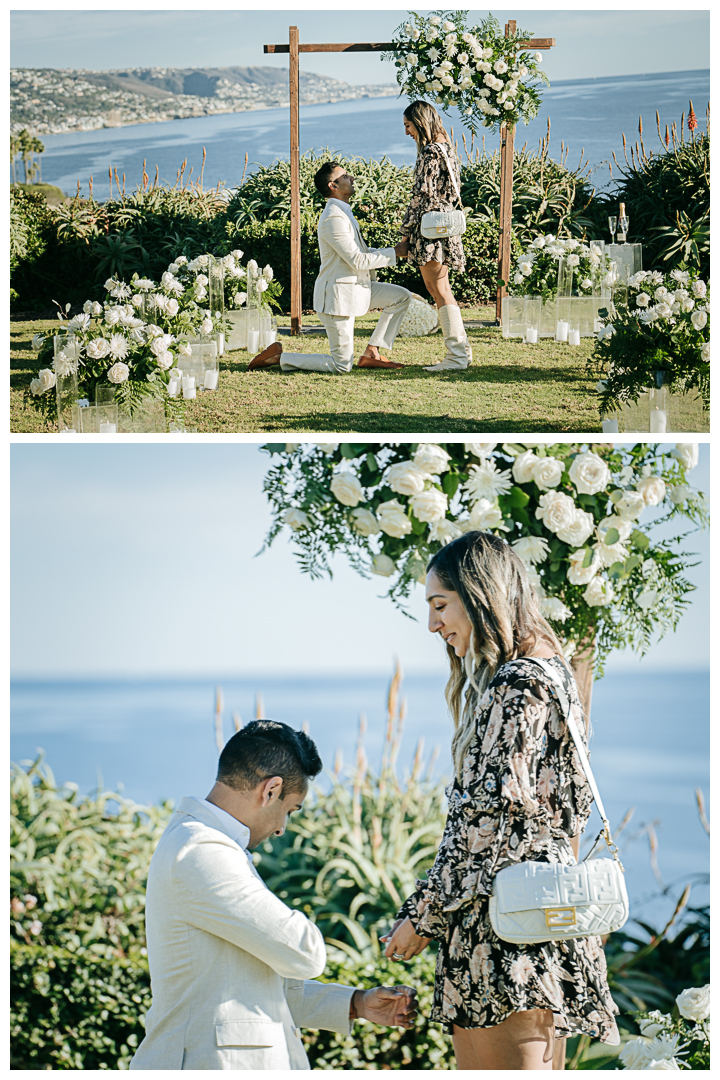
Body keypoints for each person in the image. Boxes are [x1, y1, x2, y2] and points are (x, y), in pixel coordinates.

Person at [381, 532, 620, 1070]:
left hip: (508, 938)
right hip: (534, 917)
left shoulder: (517, 685)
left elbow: (489, 830)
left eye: (440, 605)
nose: (432, 625)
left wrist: (422, 917)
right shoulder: (553, 674)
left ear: (480, 594)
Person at [130, 720, 417, 1070]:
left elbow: (246, 985)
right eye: (290, 809)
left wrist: (356, 1003)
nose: (282, 827)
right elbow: (304, 953)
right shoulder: (202, 850)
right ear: (271, 790)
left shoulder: (204, 844)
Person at [248, 162, 412, 374]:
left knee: (401, 296)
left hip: (357, 288)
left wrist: (392, 250)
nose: (352, 178)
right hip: (338, 298)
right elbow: (357, 260)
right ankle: (278, 358)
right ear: (332, 186)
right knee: (341, 365)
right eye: (345, 176)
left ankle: (372, 351)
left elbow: (360, 251)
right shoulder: (333, 218)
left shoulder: (343, 212)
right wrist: (395, 252)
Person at [401, 100, 472, 372]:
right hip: (444, 227)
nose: (407, 132)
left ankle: (456, 356)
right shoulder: (447, 148)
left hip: (430, 230)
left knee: (439, 290)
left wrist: (405, 233)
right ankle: (461, 350)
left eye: (408, 125)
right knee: (440, 288)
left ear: (419, 121)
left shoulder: (431, 152)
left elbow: (421, 197)